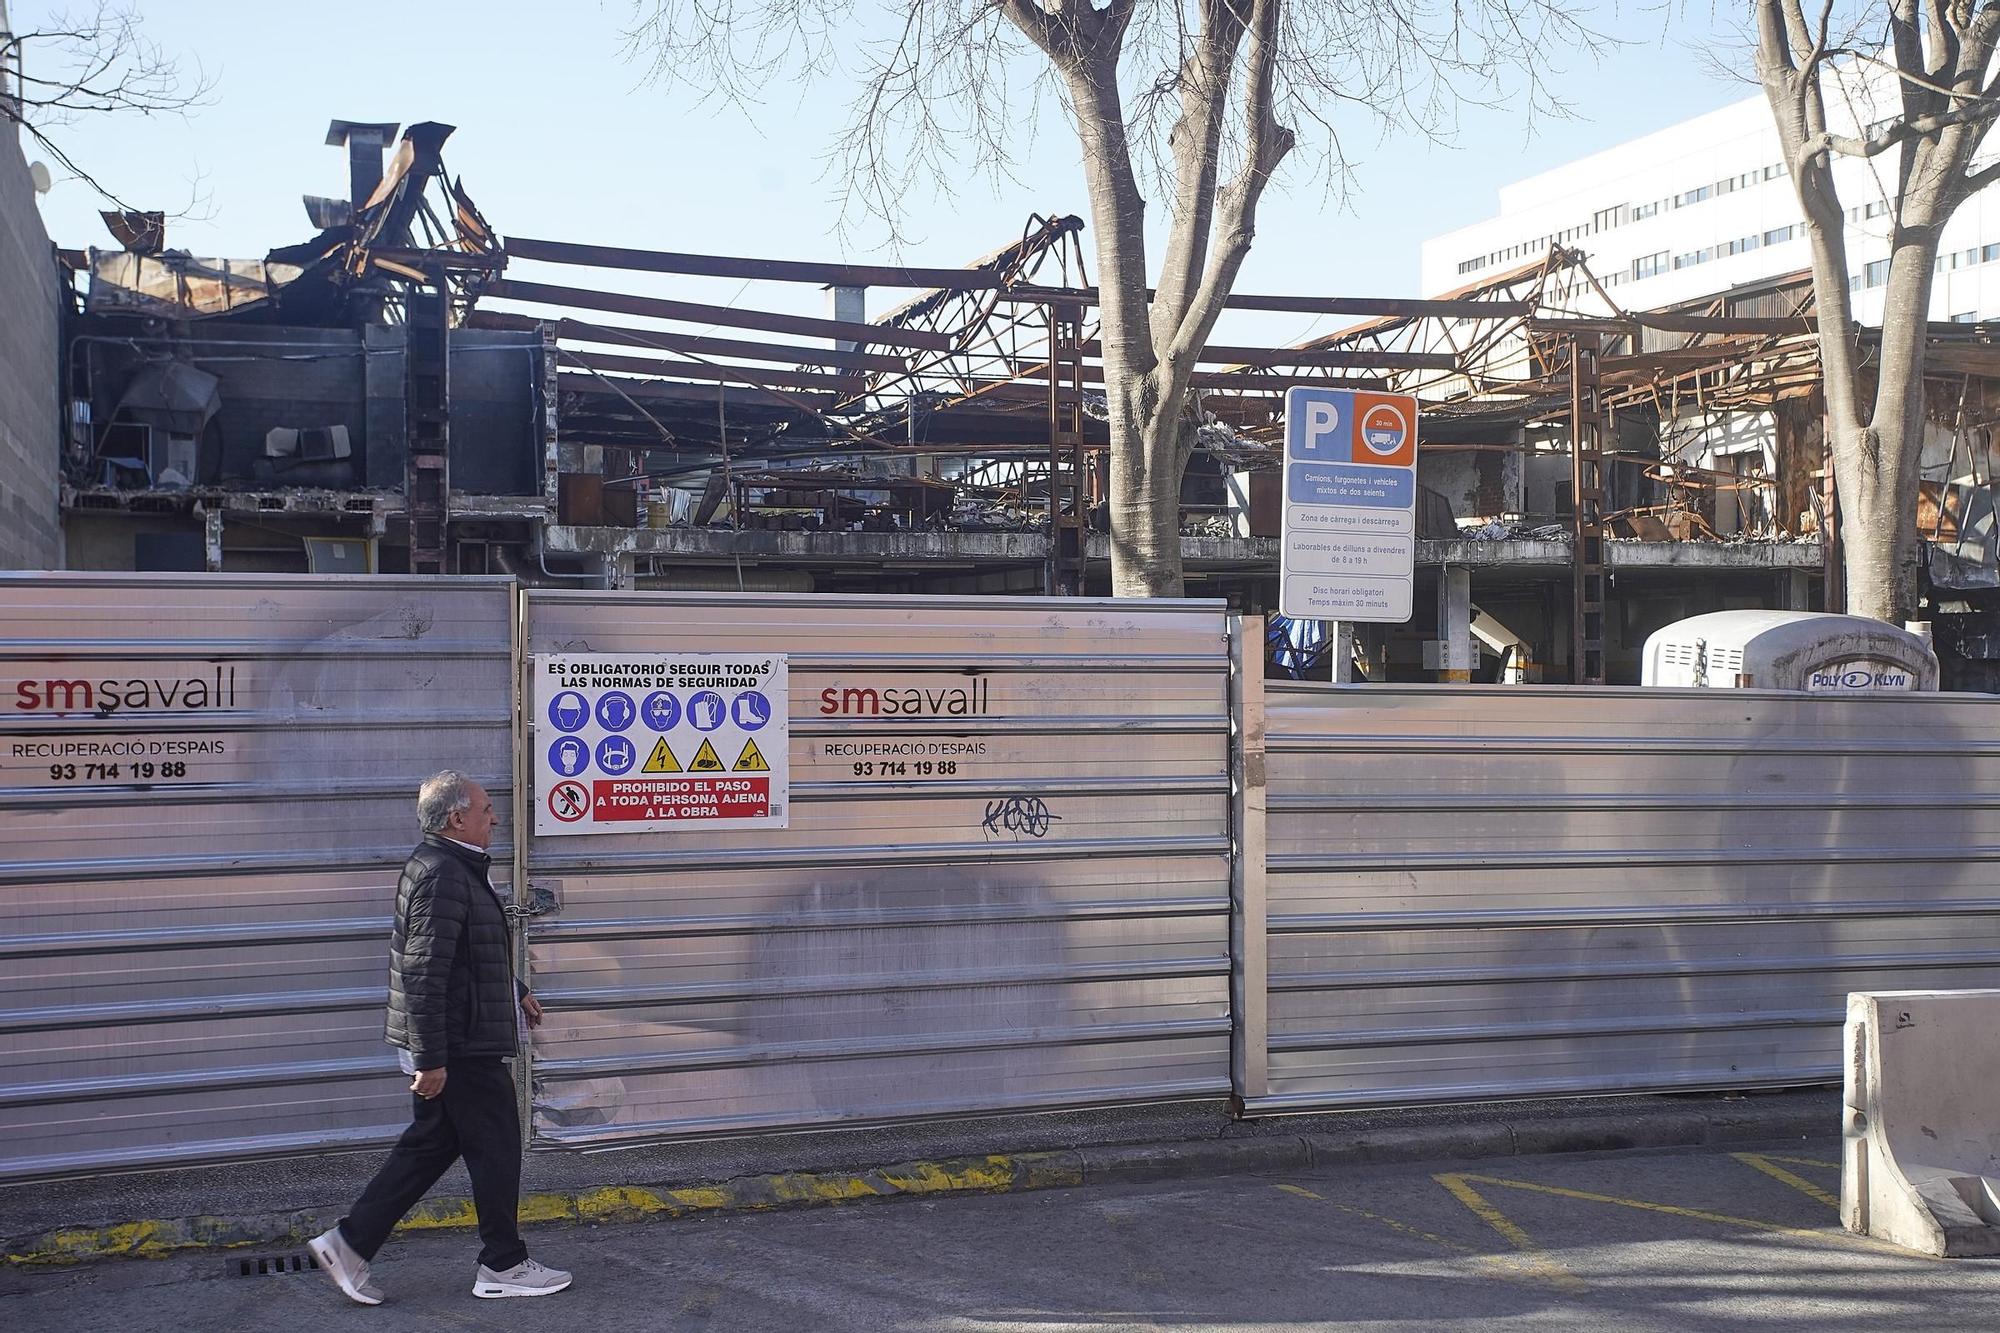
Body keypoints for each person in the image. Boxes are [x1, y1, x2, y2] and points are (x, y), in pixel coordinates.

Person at [309, 771, 571, 1304]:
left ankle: (350, 1244)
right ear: (457, 817)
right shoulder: (444, 874)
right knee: (496, 1145)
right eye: (486, 809)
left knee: (431, 1146)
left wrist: (512, 987)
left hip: (457, 1035)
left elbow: (465, 954)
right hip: (458, 1043)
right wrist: (431, 1059)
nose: (494, 818)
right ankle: (503, 1263)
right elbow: (424, 973)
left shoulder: (451, 866)